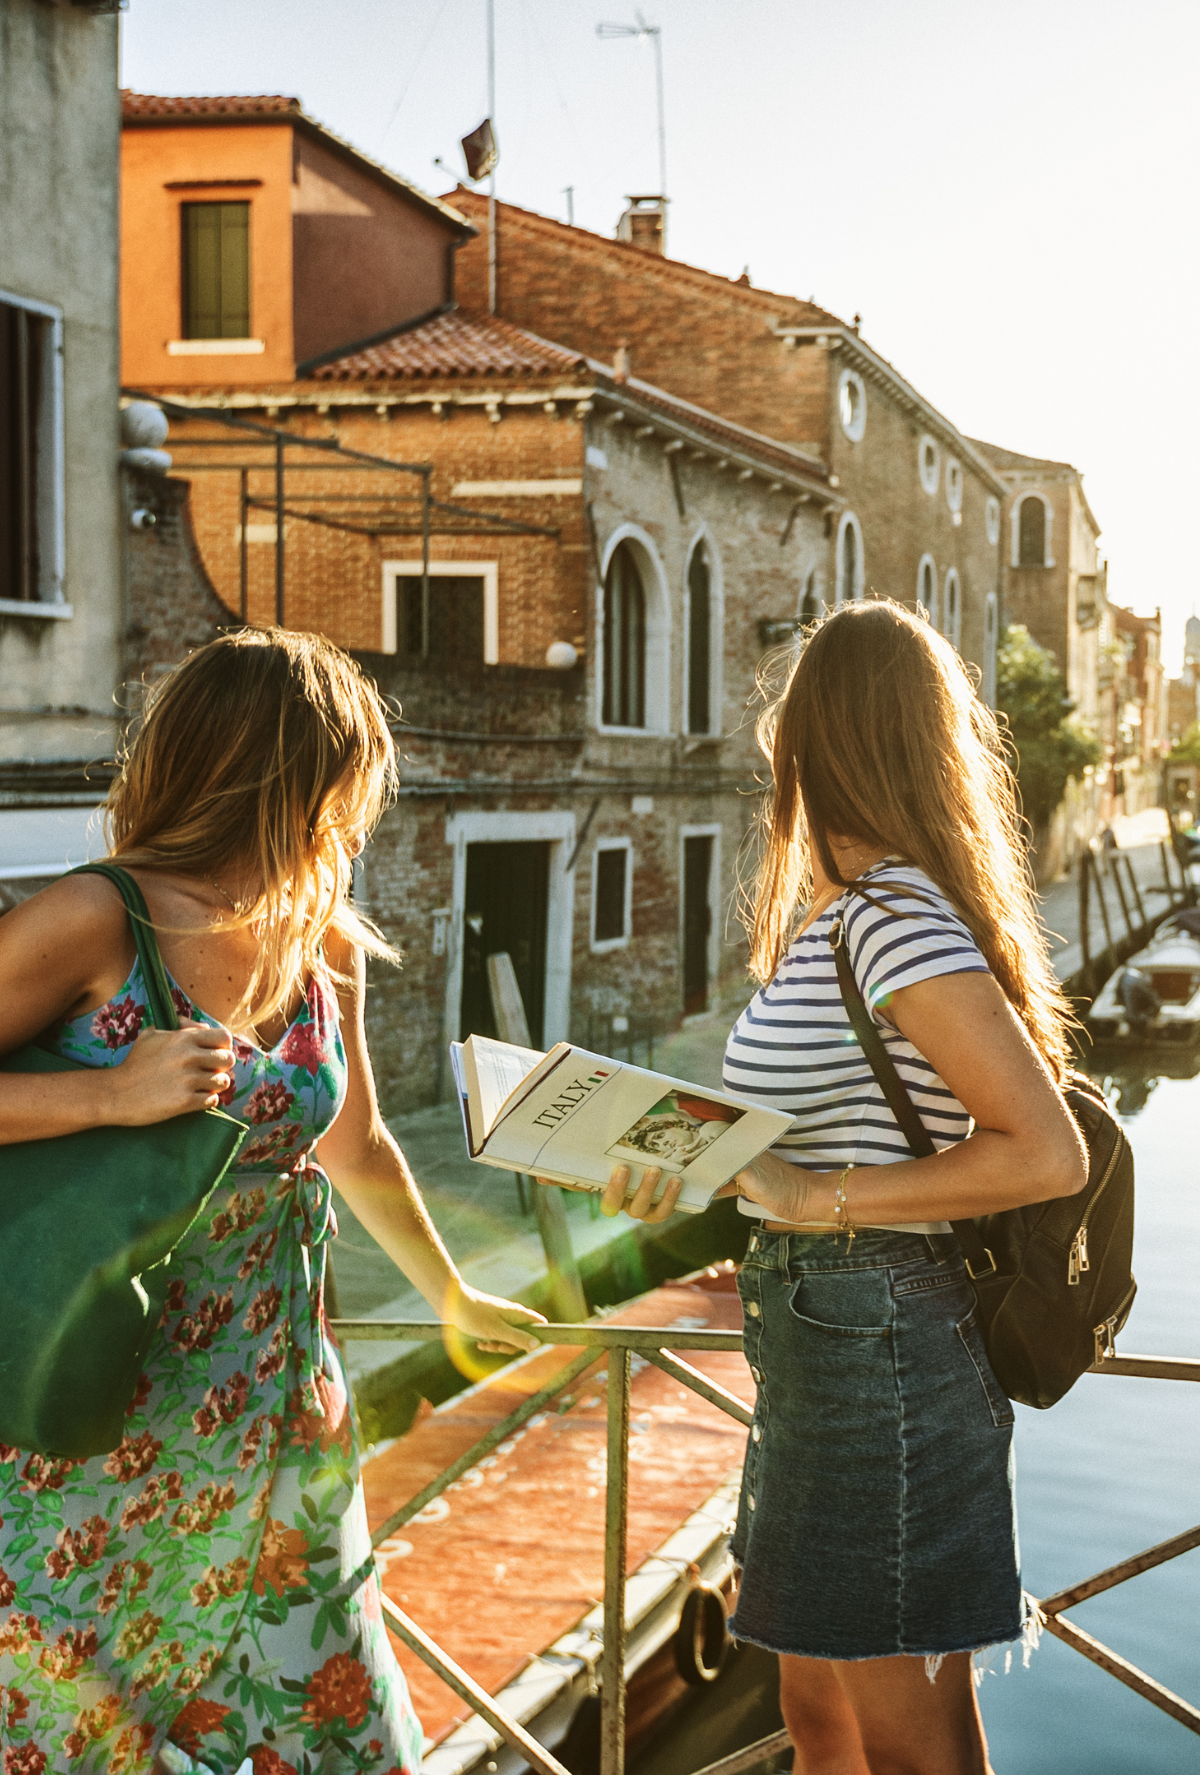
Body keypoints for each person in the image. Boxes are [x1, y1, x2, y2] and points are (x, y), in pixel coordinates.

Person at [0, 630, 543, 1775]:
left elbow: (362, 1147)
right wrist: (112, 1102)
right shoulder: (98, 919)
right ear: (279, 771)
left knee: (337, 1723)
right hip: (99, 1400)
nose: (355, 809)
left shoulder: (316, 932)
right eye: (345, 778)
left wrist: (451, 1295)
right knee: (83, 1735)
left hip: (283, 1399)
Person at [594, 602, 1086, 1775]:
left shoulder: (895, 921)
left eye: (788, 719)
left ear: (822, 739)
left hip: (888, 1351)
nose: (771, 746)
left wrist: (811, 1201)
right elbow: (806, 1145)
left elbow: (1044, 1151)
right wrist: (688, 1167)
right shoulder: (836, 920)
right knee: (819, 1721)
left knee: (913, 1750)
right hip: (817, 1343)